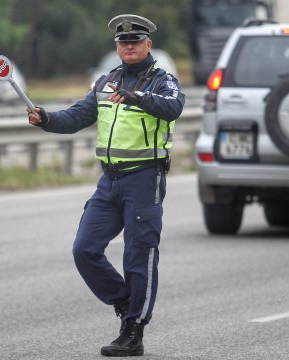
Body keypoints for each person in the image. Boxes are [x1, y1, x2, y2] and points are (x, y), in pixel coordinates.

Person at [27, 13, 185, 357]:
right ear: (117, 47)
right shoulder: (106, 81)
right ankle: (127, 302)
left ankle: (133, 331)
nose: (129, 47)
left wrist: (137, 97)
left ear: (148, 45)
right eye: (123, 42)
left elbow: (174, 107)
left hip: (144, 178)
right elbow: (77, 116)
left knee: (138, 254)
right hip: (109, 181)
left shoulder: (162, 80)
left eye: (135, 42)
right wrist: (47, 119)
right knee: (84, 249)